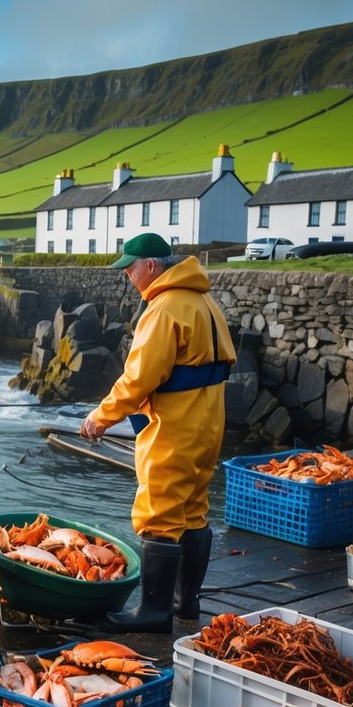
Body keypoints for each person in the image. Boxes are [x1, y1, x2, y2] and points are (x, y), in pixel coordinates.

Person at [79, 232, 236, 633]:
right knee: (194, 511)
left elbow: (140, 378)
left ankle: (153, 612)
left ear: (151, 266)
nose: (128, 276)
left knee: (159, 516)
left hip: (174, 427)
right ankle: (186, 605)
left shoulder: (164, 307)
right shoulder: (203, 300)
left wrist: (102, 417)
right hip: (208, 422)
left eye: (130, 267)